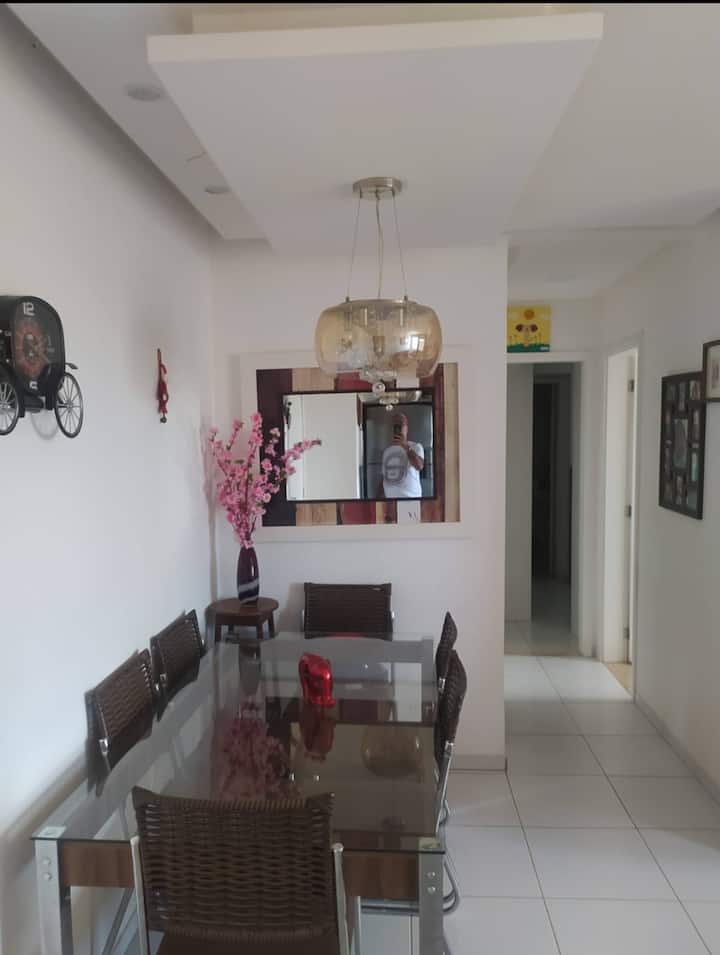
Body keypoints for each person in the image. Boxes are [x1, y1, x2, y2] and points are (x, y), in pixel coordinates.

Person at [379, 411, 424, 498]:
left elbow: (419, 466)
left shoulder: (416, 447)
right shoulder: (387, 451)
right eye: (395, 426)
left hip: (411, 498)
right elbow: (385, 476)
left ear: (406, 428)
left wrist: (406, 447)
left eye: (400, 425)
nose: (397, 429)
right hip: (390, 499)